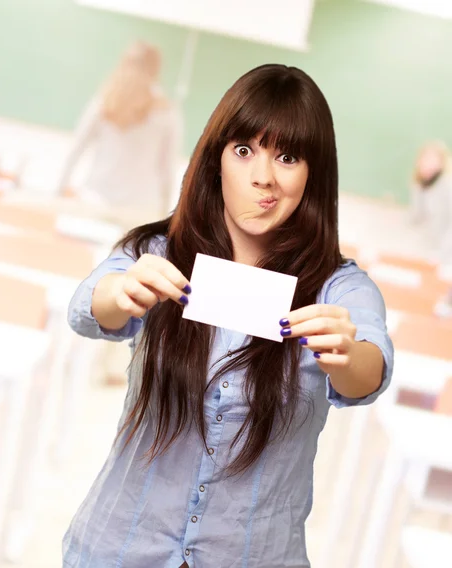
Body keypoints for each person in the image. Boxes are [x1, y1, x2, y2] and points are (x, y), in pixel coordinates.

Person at [64, 64, 393, 567]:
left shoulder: (340, 287)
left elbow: (368, 372)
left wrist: (345, 355)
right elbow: (87, 309)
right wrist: (119, 292)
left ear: (314, 173)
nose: (263, 176)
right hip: (119, 548)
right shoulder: (158, 251)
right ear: (216, 157)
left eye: (286, 156)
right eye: (244, 151)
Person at [56, 40, 182, 219]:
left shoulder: (105, 102)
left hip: (96, 200)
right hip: (141, 209)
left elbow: (76, 148)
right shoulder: (167, 112)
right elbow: (167, 168)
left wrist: (59, 190)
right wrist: (166, 214)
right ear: (156, 69)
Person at [408, 141, 452, 318]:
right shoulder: (420, 185)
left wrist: (444, 252)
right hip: (437, 244)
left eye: (433, 160)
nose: (428, 164)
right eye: (425, 159)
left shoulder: (447, 186)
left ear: (441, 163)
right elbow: (417, 218)